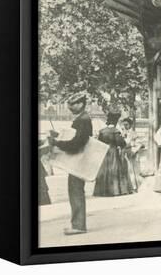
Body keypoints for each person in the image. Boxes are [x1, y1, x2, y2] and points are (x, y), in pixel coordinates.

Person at [48, 92, 92, 235]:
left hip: (78, 161)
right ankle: (78, 224)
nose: (70, 107)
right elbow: (75, 138)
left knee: (75, 191)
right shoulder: (83, 119)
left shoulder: (82, 120)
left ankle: (78, 226)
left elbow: (76, 143)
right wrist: (58, 136)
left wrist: (57, 142)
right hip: (79, 160)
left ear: (80, 104)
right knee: (75, 190)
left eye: (72, 104)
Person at [93, 112, 133, 197]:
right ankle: (115, 190)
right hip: (113, 152)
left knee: (104, 170)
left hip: (104, 152)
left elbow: (99, 143)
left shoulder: (102, 131)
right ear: (115, 121)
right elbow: (121, 143)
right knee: (114, 169)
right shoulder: (116, 131)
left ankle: (102, 191)